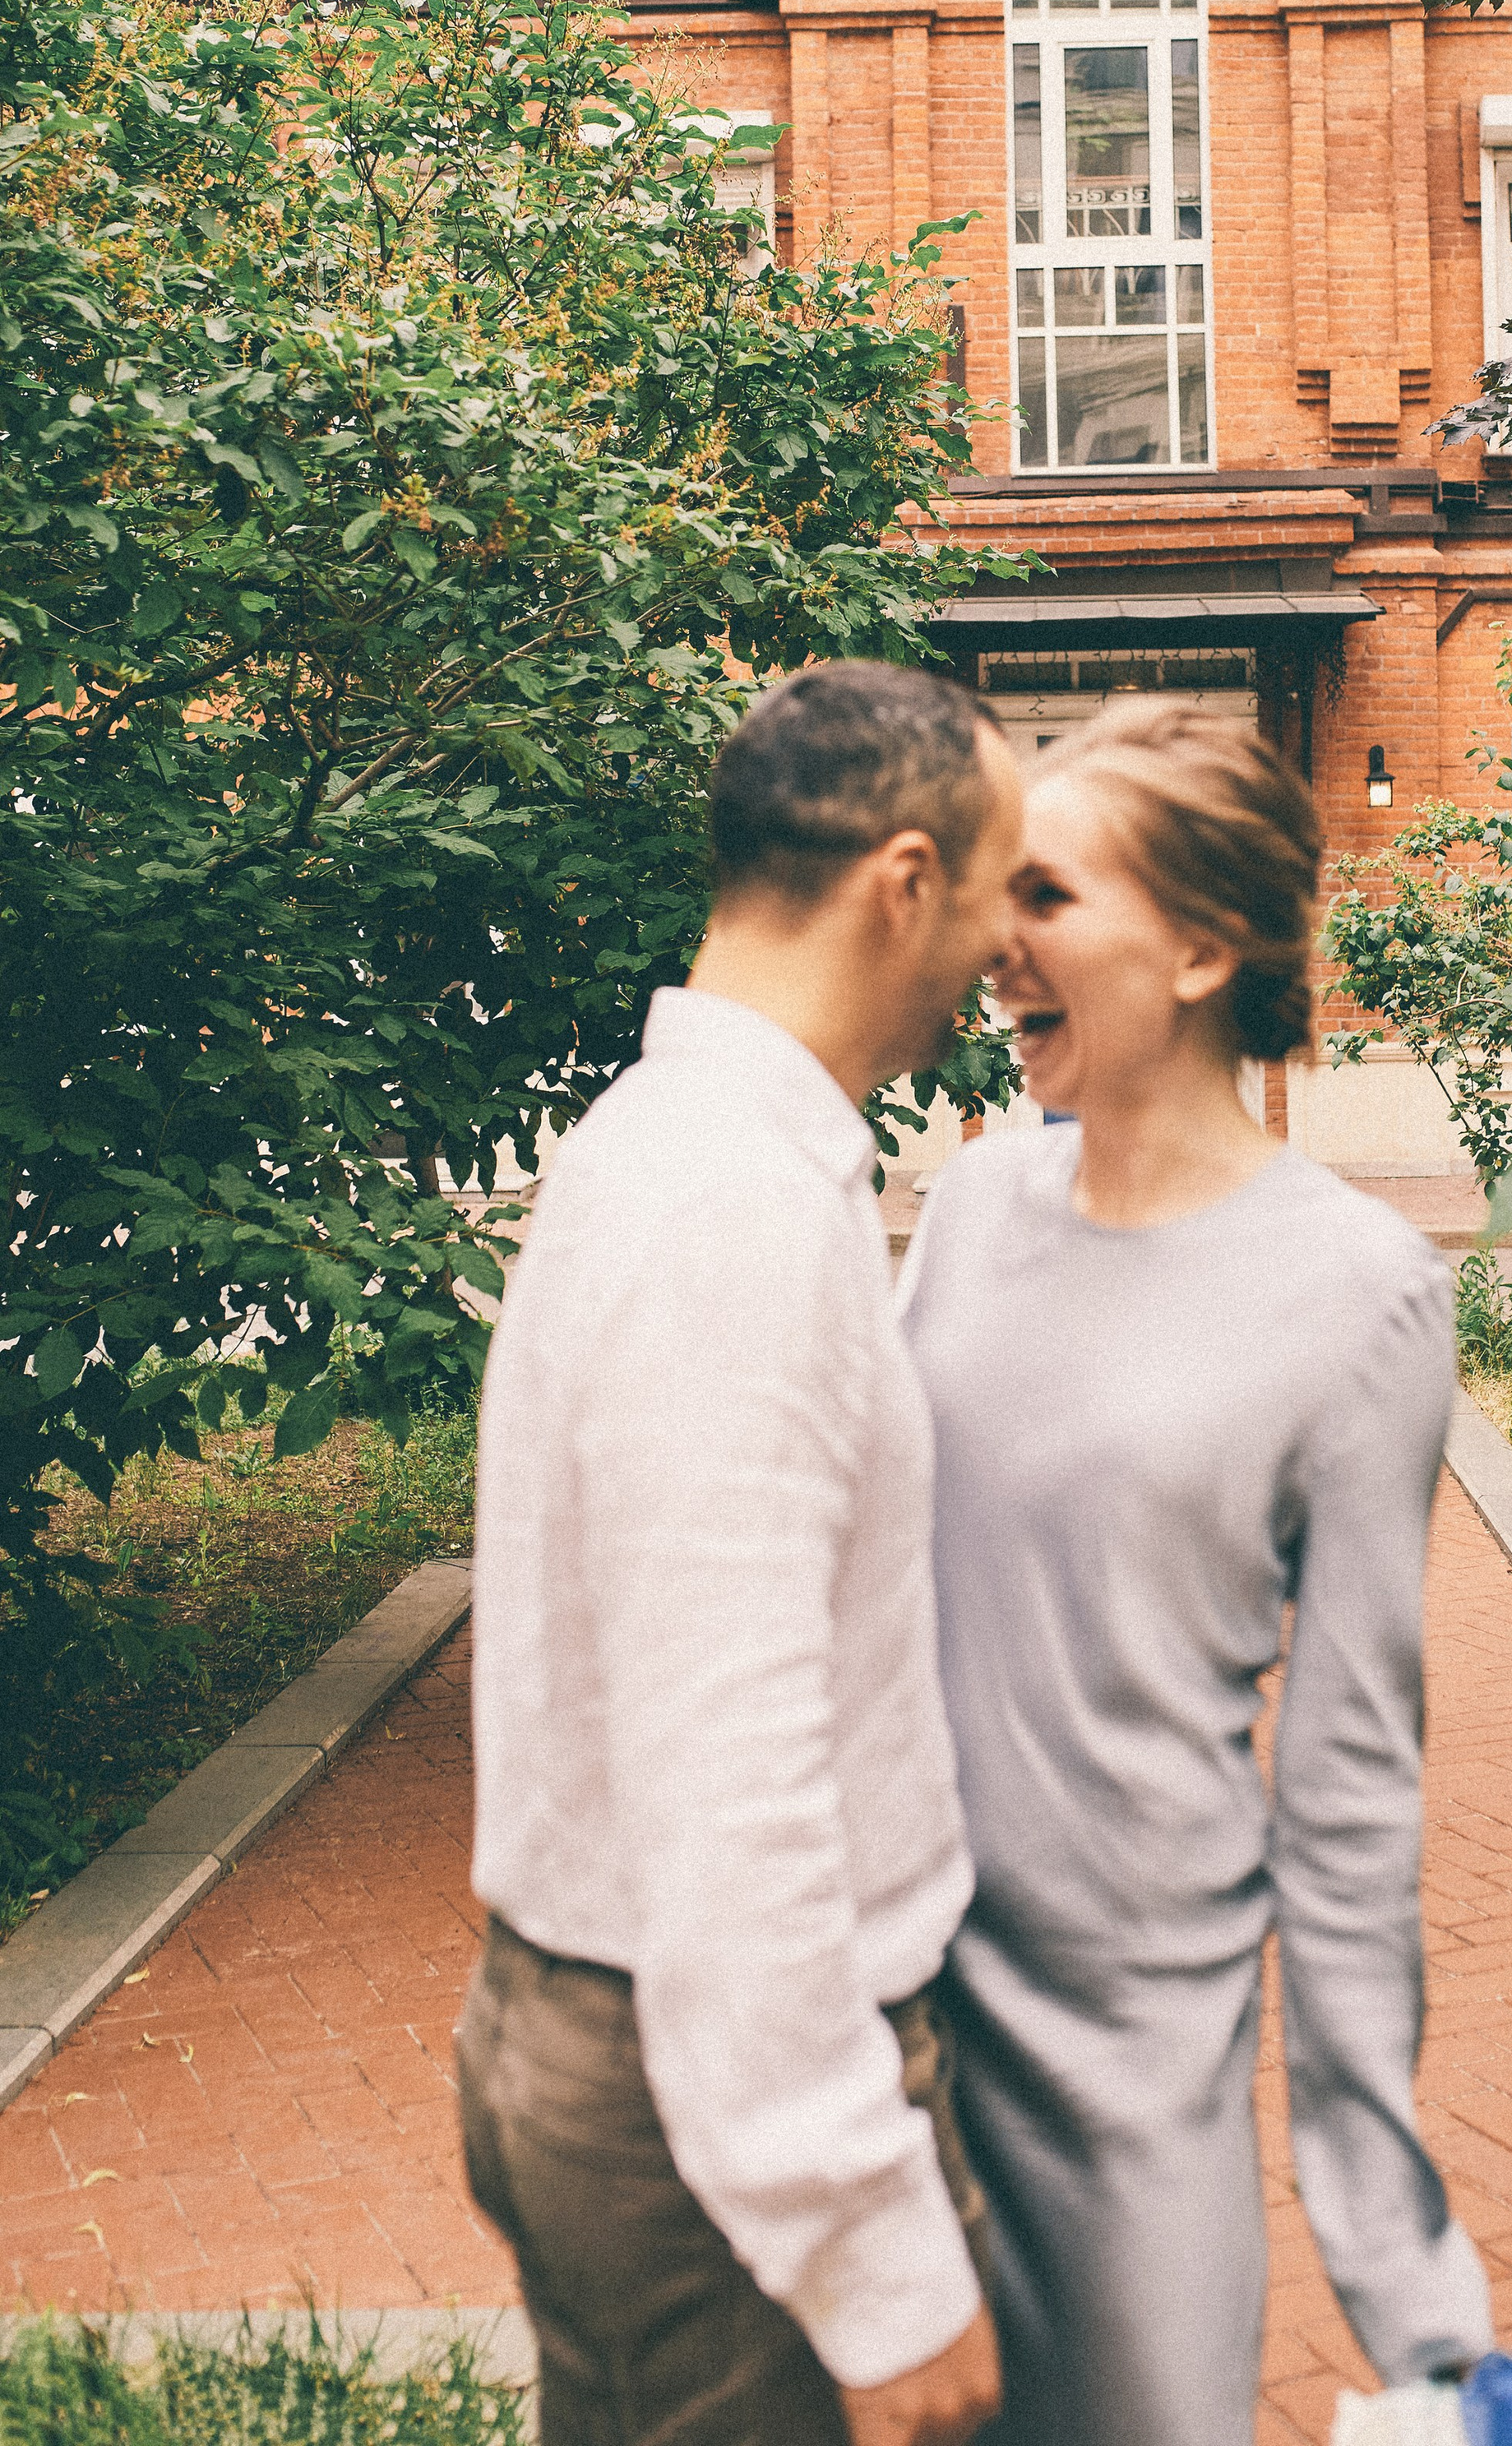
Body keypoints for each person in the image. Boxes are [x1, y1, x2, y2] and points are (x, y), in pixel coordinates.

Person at [899, 697, 1493, 2446]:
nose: (995, 943)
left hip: (1127, 2053)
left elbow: (1351, 1791)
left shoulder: (1362, 1293)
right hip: (893, 2023)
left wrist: (1406, 2297)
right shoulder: (968, 1213)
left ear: (1201, 949)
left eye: (1046, 897)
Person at [459, 661, 1023, 2446]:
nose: (1007, 947)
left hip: (638, 2059)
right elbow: (731, 1773)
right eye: (1000, 888)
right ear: (905, 882)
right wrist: (867, 2250)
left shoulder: (686, 1149)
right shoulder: (733, 1214)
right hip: (708, 2117)